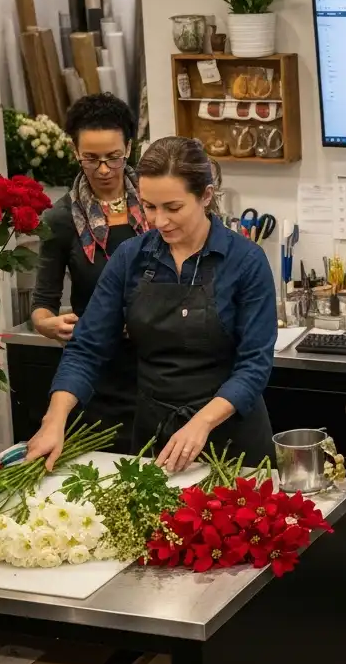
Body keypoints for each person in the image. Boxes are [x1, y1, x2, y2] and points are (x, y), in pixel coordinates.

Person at [25, 136, 277, 472]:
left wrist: (202, 424)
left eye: (173, 208)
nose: (159, 222)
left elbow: (254, 365)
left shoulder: (245, 260)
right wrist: (54, 419)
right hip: (153, 436)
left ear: (205, 196)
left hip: (232, 443)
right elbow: (87, 348)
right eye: (149, 206)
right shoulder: (131, 258)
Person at [30, 94, 146, 448]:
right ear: (74, 150)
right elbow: (42, 305)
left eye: (114, 157)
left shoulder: (157, 207)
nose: (104, 170)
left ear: (129, 146)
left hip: (159, 369)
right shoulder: (61, 219)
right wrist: (49, 325)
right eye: (91, 159)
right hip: (98, 374)